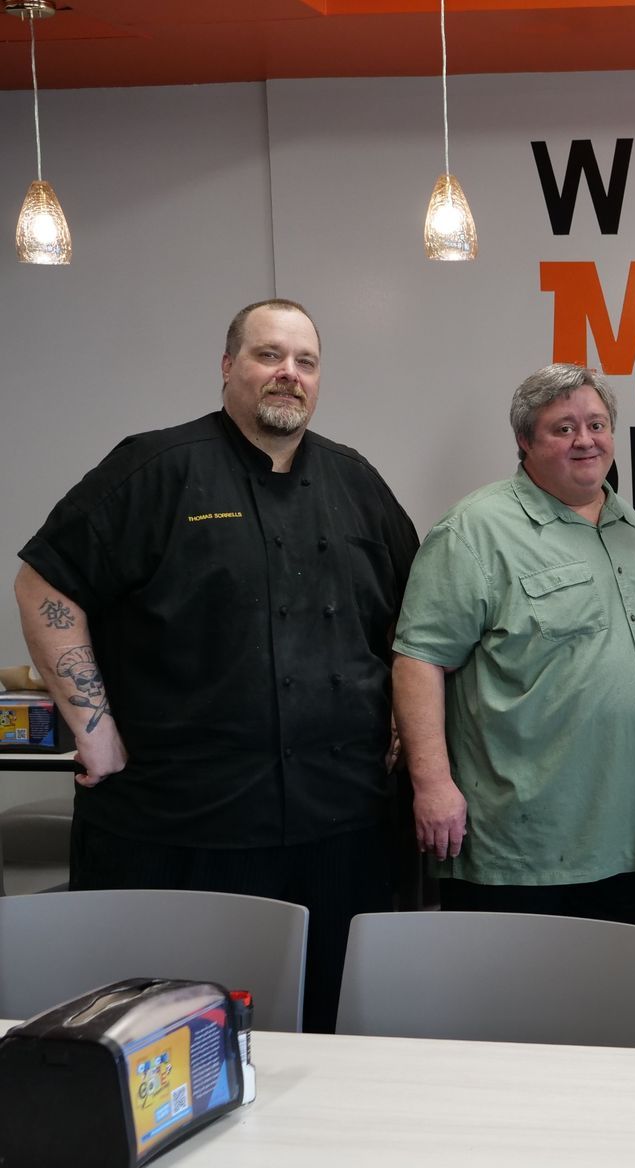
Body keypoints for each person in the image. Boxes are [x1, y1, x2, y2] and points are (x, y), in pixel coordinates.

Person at [12, 298, 418, 1033]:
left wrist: (402, 717)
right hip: (184, 824)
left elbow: (413, 615)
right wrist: (93, 726)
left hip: (340, 821)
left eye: (305, 361)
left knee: (334, 1029)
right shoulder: (156, 468)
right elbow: (46, 583)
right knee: (173, 1036)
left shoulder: (358, 483)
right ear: (228, 367)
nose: (287, 374)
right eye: (268, 355)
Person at [390, 364, 635, 925]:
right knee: (517, 1006)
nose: (586, 440)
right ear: (524, 442)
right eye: (563, 428)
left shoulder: (627, 526)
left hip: (629, 832)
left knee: (612, 999)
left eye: (597, 424)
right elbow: (419, 659)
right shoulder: (474, 530)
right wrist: (432, 783)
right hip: (523, 846)